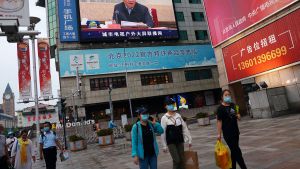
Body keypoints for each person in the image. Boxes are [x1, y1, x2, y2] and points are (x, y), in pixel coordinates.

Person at [217, 89, 247, 169]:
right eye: (225, 95)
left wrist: (238, 116)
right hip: (227, 134)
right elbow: (219, 121)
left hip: (236, 132)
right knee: (237, 151)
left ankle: (233, 167)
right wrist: (219, 134)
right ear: (222, 97)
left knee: (234, 151)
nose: (227, 96)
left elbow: (238, 115)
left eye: (228, 95)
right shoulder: (220, 109)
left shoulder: (233, 105)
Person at [161, 97, 192, 169]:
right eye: (169, 104)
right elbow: (163, 133)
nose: (171, 106)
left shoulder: (178, 115)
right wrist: (164, 145)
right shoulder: (164, 118)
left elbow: (184, 128)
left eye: (172, 104)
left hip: (180, 140)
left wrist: (189, 139)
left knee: (182, 159)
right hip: (171, 142)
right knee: (177, 160)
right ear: (165, 106)